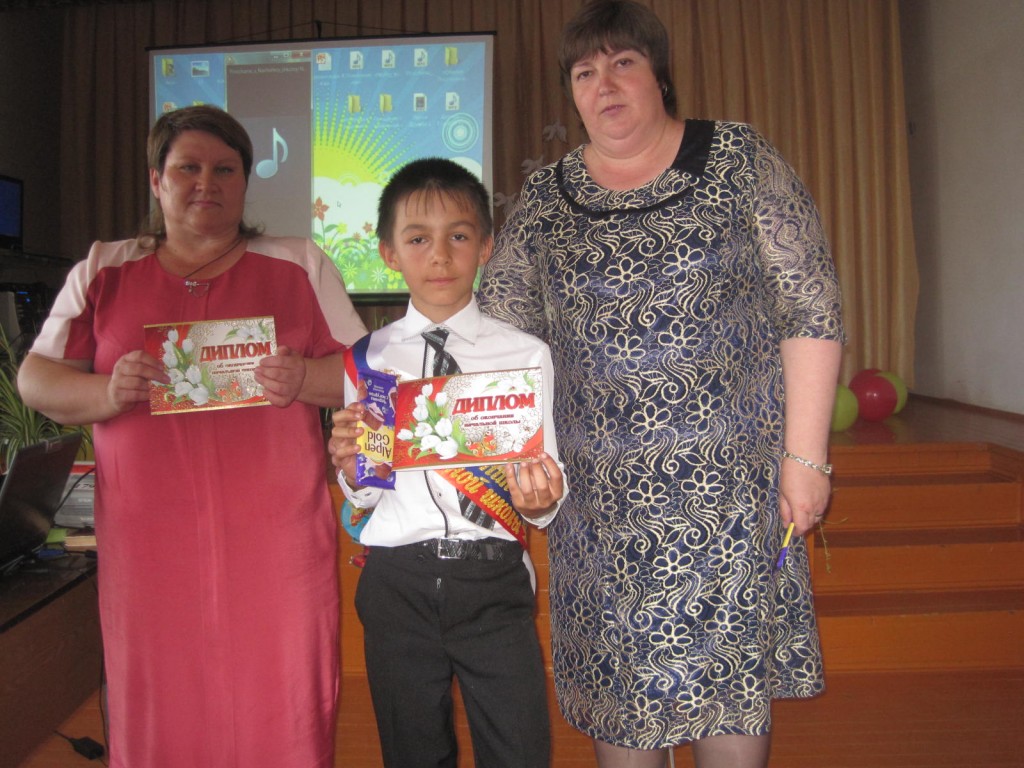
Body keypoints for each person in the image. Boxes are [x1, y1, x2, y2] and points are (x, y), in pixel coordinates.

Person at [477, 2, 844, 767]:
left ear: (659, 74)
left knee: (727, 697)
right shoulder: (546, 199)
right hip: (599, 513)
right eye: (585, 72)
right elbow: (497, 332)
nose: (604, 85)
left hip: (729, 496)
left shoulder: (736, 158)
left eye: (623, 63)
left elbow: (809, 305)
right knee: (624, 709)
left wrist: (806, 460)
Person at [17, 105, 367, 768]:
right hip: (149, 547)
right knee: (163, 709)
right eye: (188, 168)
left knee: (282, 703)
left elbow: (366, 377)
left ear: (246, 181)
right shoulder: (105, 268)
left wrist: (303, 377)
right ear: (157, 180)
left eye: (225, 169)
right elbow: (35, 380)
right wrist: (107, 392)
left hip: (276, 543)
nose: (207, 182)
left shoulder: (298, 263)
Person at [328, 157, 565, 768]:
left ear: (485, 246)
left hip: (494, 580)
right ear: (388, 253)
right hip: (396, 585)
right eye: (417, 239)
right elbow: (368, 488)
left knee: (519, 750)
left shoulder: (524, 355)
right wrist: (352, 472)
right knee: (412, 752)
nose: (439, 255)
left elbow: (545, 487)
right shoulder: (367, 360)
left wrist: (542, 500)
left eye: (458, 236)